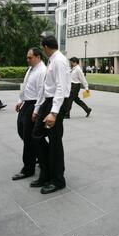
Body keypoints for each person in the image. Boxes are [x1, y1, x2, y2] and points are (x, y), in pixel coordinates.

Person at [31, 35, 71, 194]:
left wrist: (54, 112)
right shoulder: (52, 60)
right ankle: (47, 172)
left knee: (55, 142)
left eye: (42, 48)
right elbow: (46, 86)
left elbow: (61, 88)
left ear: (46, 47)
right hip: (47, 102)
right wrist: (37, 108)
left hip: (56, 103)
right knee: (36, 135)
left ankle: (58, 179)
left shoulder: (59, 60)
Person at [12, 48, 47, 181]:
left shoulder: (42, 71)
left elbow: (41, 92)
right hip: (26, 103)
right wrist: (20, 100)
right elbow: (26, 86)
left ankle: (28, 168)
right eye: (27, 57)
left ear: (38, 57)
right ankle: (38, 155)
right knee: (21, 131)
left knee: (28, 138)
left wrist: (36, 111)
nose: (27, 60)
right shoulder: (31, 69)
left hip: (34, 105)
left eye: (30, 57)